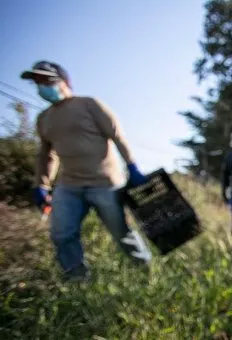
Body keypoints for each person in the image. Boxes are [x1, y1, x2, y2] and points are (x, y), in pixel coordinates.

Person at [21, 60, 152, 281]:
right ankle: (77, 281)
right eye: (37, 82)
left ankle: (145, 271)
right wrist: (42, 185)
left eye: (46, 80)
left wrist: (132, 167)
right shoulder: (44, 119)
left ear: (63, 81)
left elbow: (117, 135)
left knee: (121, 232)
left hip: (105, 183)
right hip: (69, 186)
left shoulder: (89, 104)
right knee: (62, 234)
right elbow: (46, 155)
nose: (41, 86)